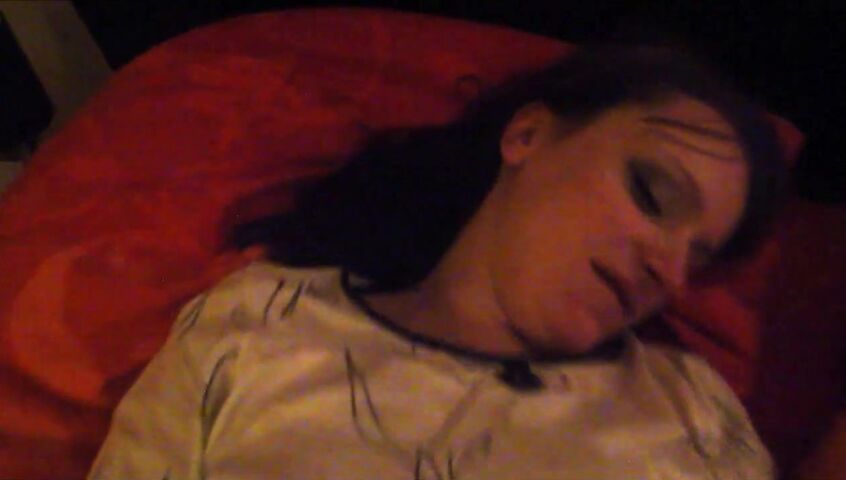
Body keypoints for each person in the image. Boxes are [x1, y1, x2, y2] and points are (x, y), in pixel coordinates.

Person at [88, 46, 786, 479]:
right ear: (528, 134)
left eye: (699, 256)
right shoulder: (261, 322)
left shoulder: (690, 408)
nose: (672, 273)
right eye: (651, 193)